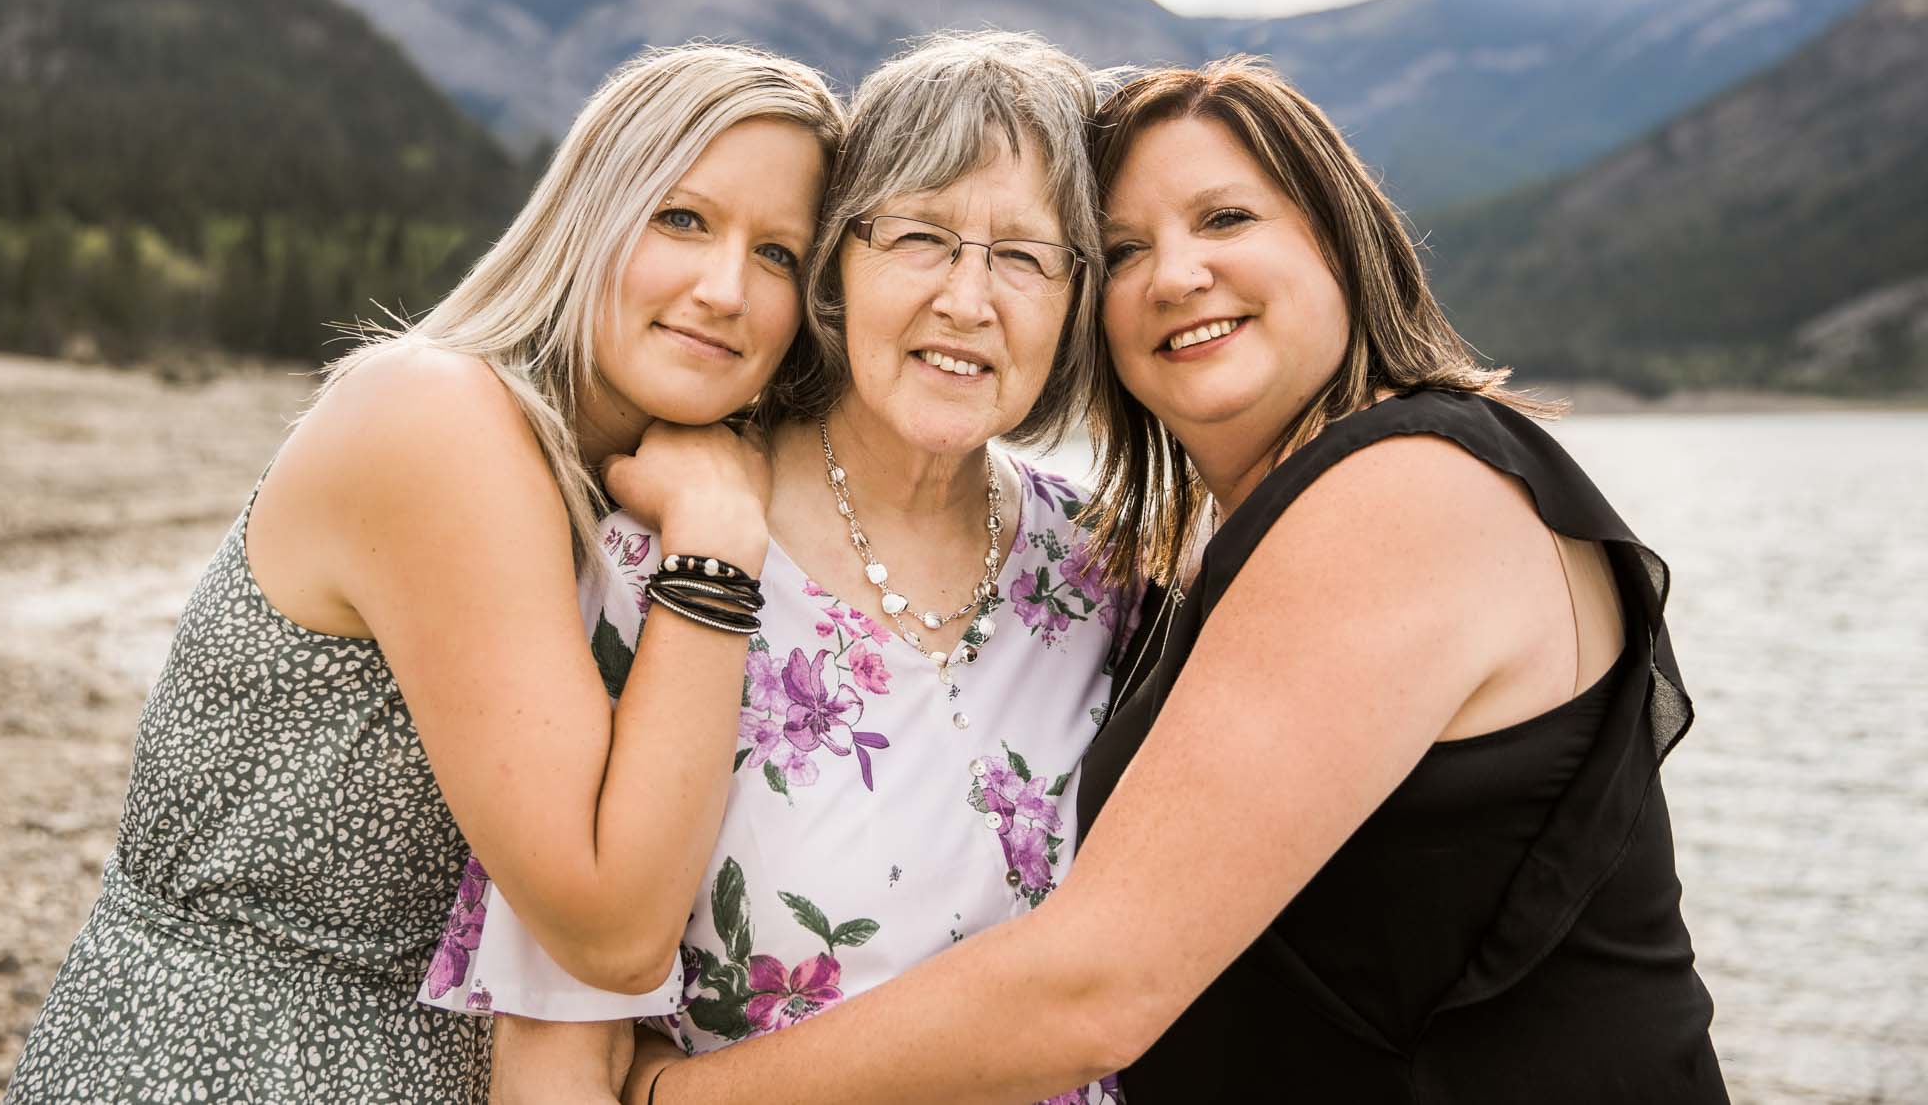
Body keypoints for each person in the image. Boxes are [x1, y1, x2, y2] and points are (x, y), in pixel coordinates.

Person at [623, 57, 1728, 1104]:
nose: (1177, 274)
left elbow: (1098, 983)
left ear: (1340, 241)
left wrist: (670, 1095)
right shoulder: (1195, 556)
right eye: (1124, 249)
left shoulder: (1402, 495)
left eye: (1224, 219)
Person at [4, 44, 844, 1103]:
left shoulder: (603, 477)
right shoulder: (440, 416)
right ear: (585, 212)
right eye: (680, 219)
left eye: (778, 255)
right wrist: (717, 548)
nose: (724, 289)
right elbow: (614, 930)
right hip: (228, 1064)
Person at [420, 32, 1130, 1105]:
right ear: (834, 269)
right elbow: (555, 1061)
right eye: (921, 237)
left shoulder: (1106, 572)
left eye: (1024, 256)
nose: (967, 300)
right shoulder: (658, 563)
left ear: (1076, 299)